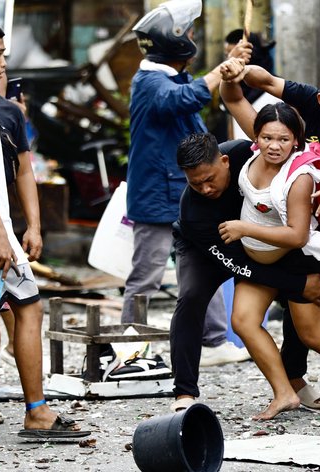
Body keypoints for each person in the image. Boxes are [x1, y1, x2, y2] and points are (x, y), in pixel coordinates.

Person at [218, 68, 320, 420]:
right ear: (257, 137)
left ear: (296, 142)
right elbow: (245, 91)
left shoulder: (300, 173)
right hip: (266, 256)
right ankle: (287, 390)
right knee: (246, 321)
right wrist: (234, 69)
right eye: (267, 138)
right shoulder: (266, 143)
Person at [0, 19, 87, 438]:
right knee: (28, 308)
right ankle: (36, 411)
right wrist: (2, 233)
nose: (3, 62)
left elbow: (18, 171)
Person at [123, 1, 250, 367]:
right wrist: (218, 72)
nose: (192, 37)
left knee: (205, 266)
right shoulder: (150, 82)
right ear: (174, 41)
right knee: (145, 276)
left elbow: (186, 89)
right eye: (189, 33)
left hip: (181, 192)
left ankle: (212, 340)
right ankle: (128, 351)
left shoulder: (166, 76)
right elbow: (184, 98)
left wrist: (231, 62)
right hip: (156, 194)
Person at [170, 133, 320, 413]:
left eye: (210, 179)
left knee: (296, 294)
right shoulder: (193, 210)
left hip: (256, 235)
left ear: (225, 161)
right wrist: (297, 282)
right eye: (196, 183)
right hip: (204, 248)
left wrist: (295, 282)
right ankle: (184, 393)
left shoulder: (246, 152)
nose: (205, 189)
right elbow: (238, 266)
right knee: (191, 298)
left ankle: (294, 378)